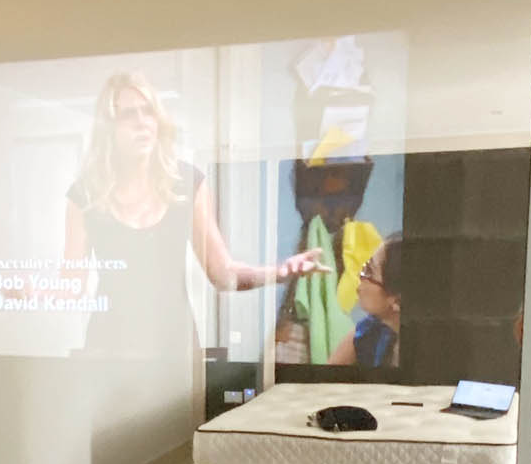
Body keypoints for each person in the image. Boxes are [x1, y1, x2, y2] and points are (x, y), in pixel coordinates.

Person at [64, 71, 327, 357]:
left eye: (148, 112)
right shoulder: (85, 195)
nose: (141, 123)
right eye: (128, 115)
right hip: (107, 347)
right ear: (109, 128)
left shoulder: (188, 184)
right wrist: (24, 292)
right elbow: (71, 286)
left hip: (173, 348)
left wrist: (280, 272)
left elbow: (223, 275)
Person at [327, 234, 401, 368]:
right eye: (364, 267)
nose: (359, 276)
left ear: (398, 301)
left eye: (369, 271)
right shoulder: (367, 331)